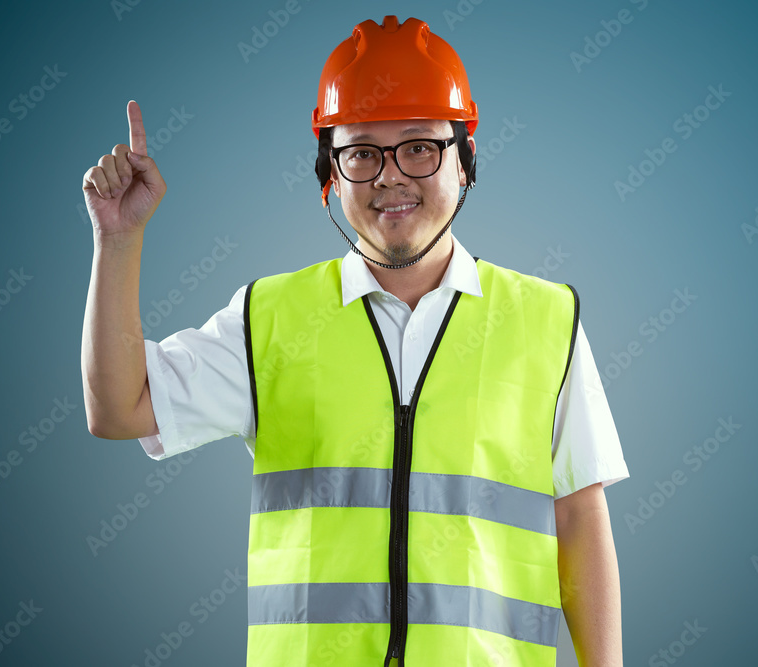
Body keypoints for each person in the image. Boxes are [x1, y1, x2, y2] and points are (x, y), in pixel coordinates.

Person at [81, 14, 629, 667]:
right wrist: (119, 241)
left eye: (420, 146)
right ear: (329, 176)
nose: (391, 176)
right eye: (362, 151)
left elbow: (579, 519)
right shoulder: (271, 318)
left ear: (466, 159)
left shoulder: (547, 320)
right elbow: (118, 409)